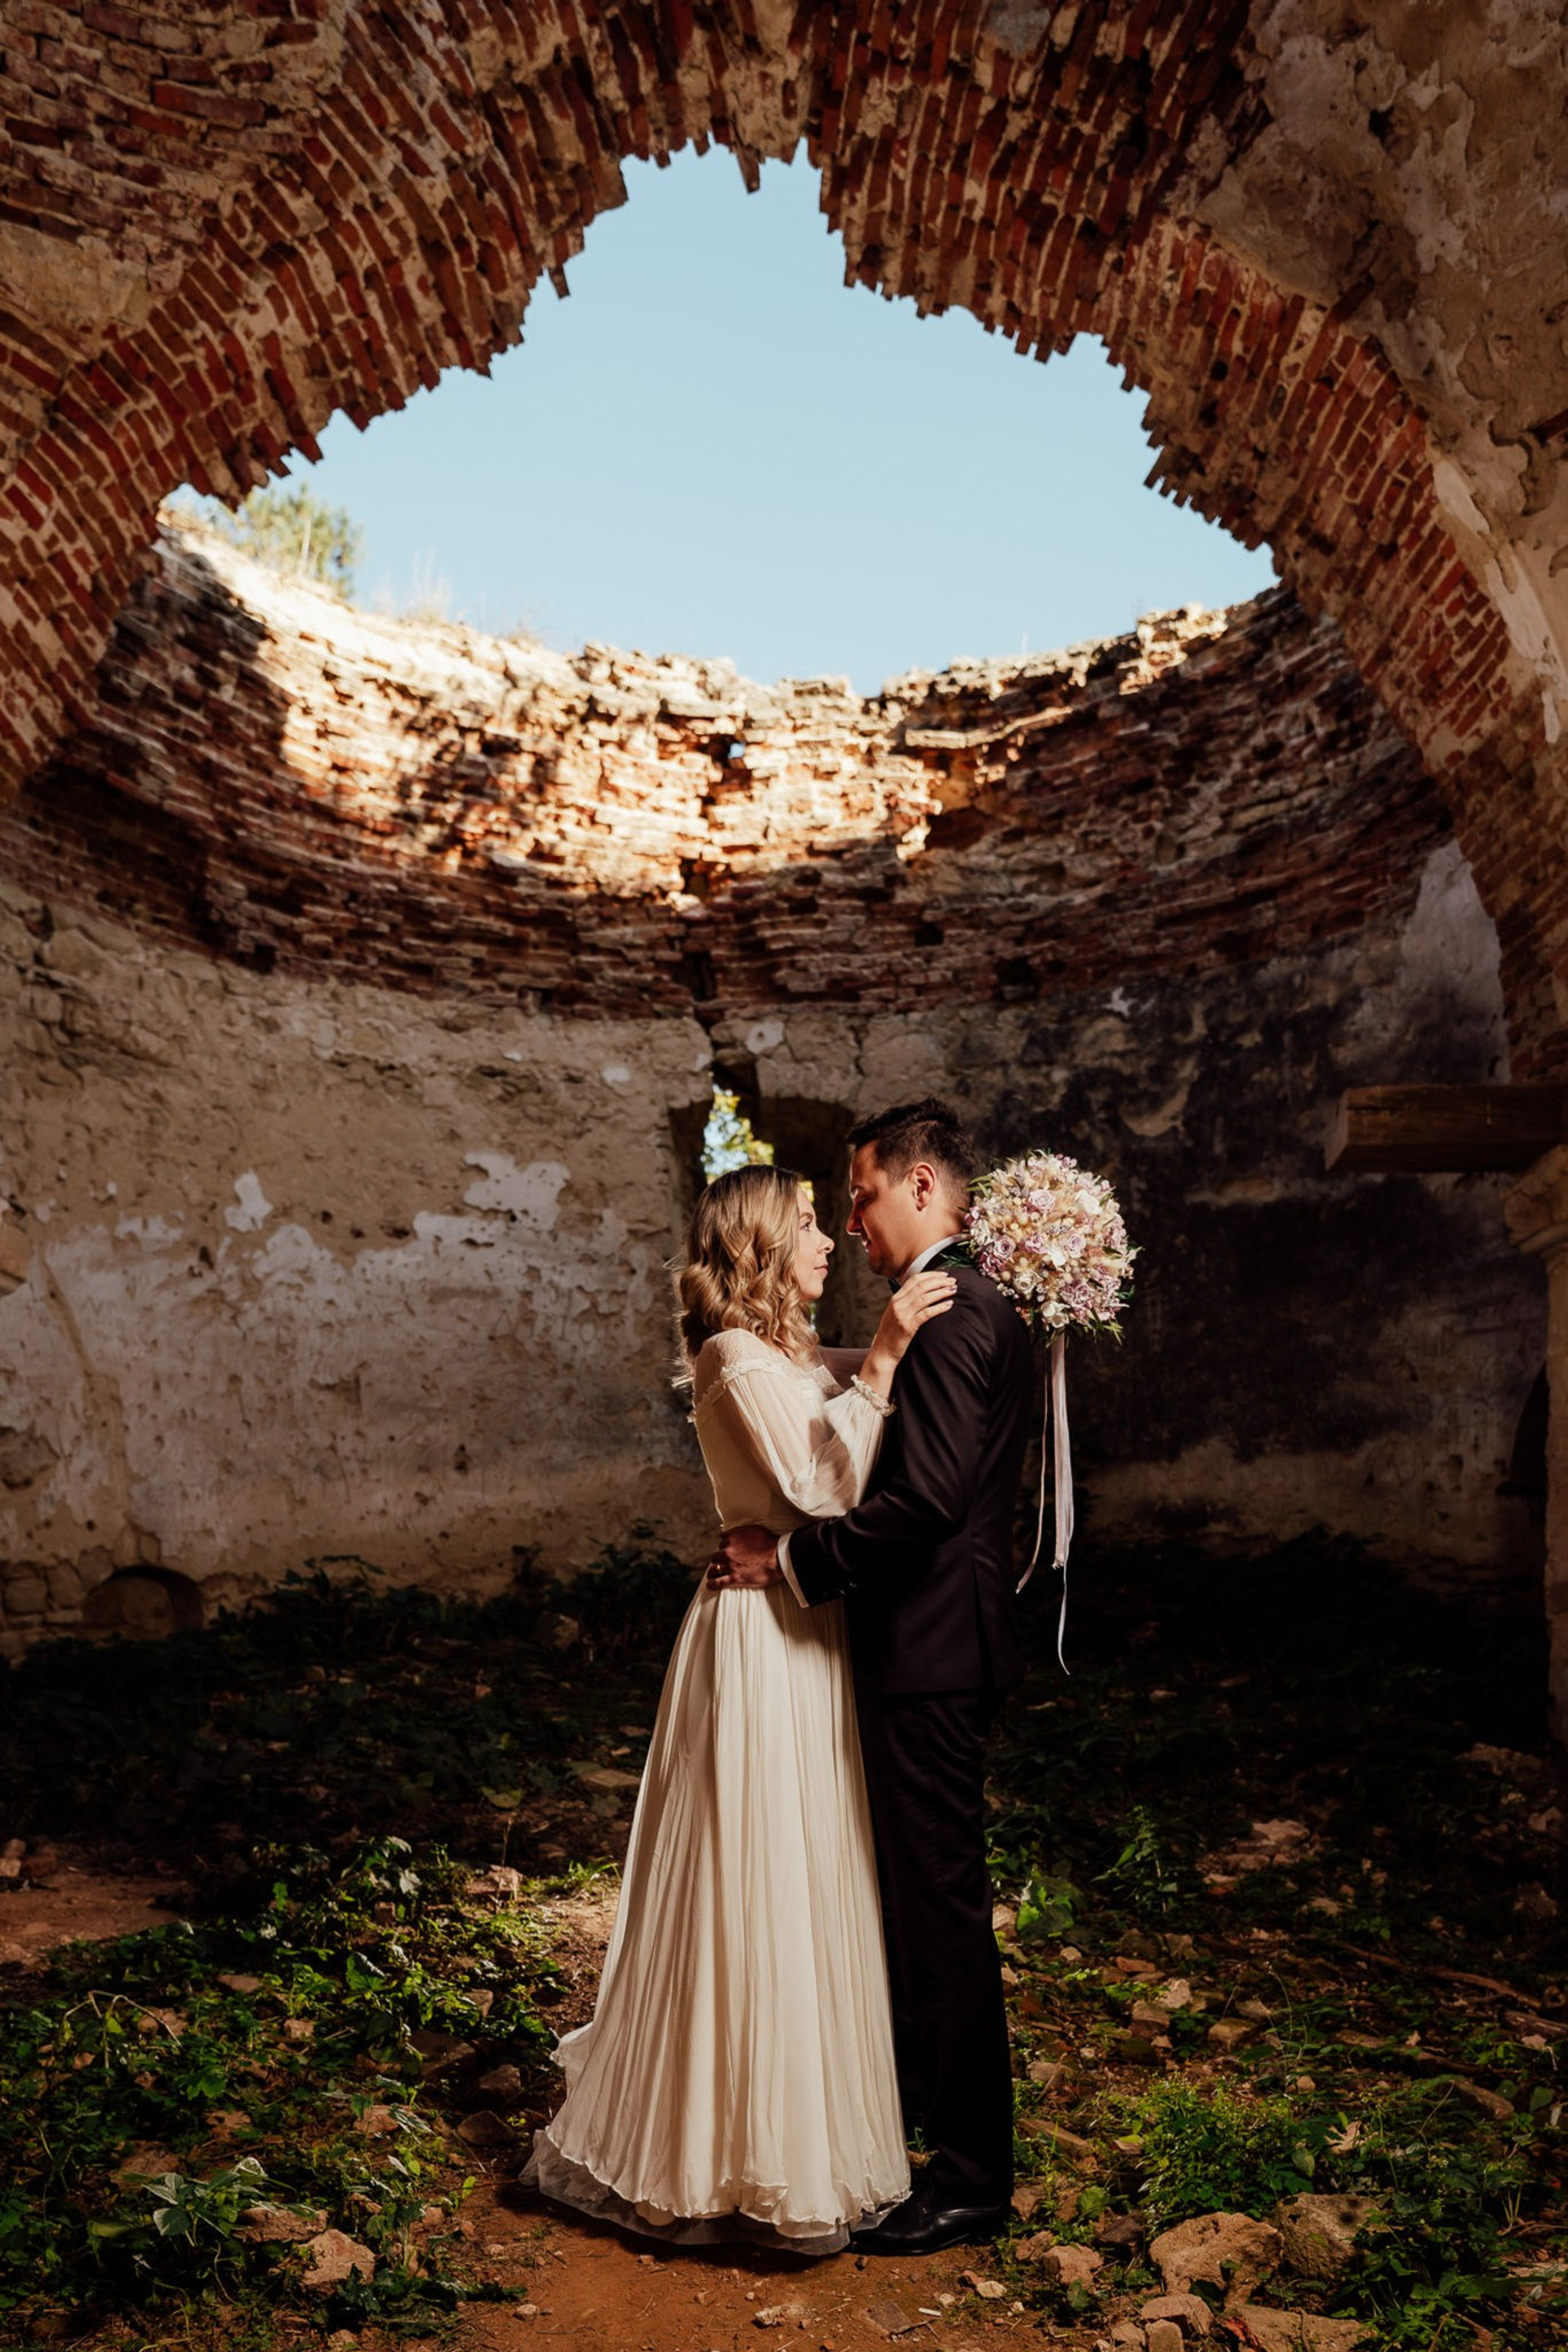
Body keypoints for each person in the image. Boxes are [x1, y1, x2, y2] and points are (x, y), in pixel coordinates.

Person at [522, 1161, 957, 2253]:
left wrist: (966, 1326)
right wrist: (892, 1353)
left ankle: (801, 2124)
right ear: (762, 1243)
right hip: (758, 1643)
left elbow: (864, 1395)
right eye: (810, 1225)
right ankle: (730, 2151)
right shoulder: (730, 1354)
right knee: (756, 1869)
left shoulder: (793, 1356)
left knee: (812, 1870)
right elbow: (820, 1493)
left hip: (807, 1629)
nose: (830, 1241)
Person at [710, 1098, 1034, 2256]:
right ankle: (921, 2129)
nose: (849, 1222)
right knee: (919, 1903)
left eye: (860, 1194)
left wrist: (790, 1558)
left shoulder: (950, 1315)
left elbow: (923, 1505)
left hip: (931, 1653)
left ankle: (969, 2180)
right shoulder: (949, 1308)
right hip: (932, 1650)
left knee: (941, 1912)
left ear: (923, 1189)